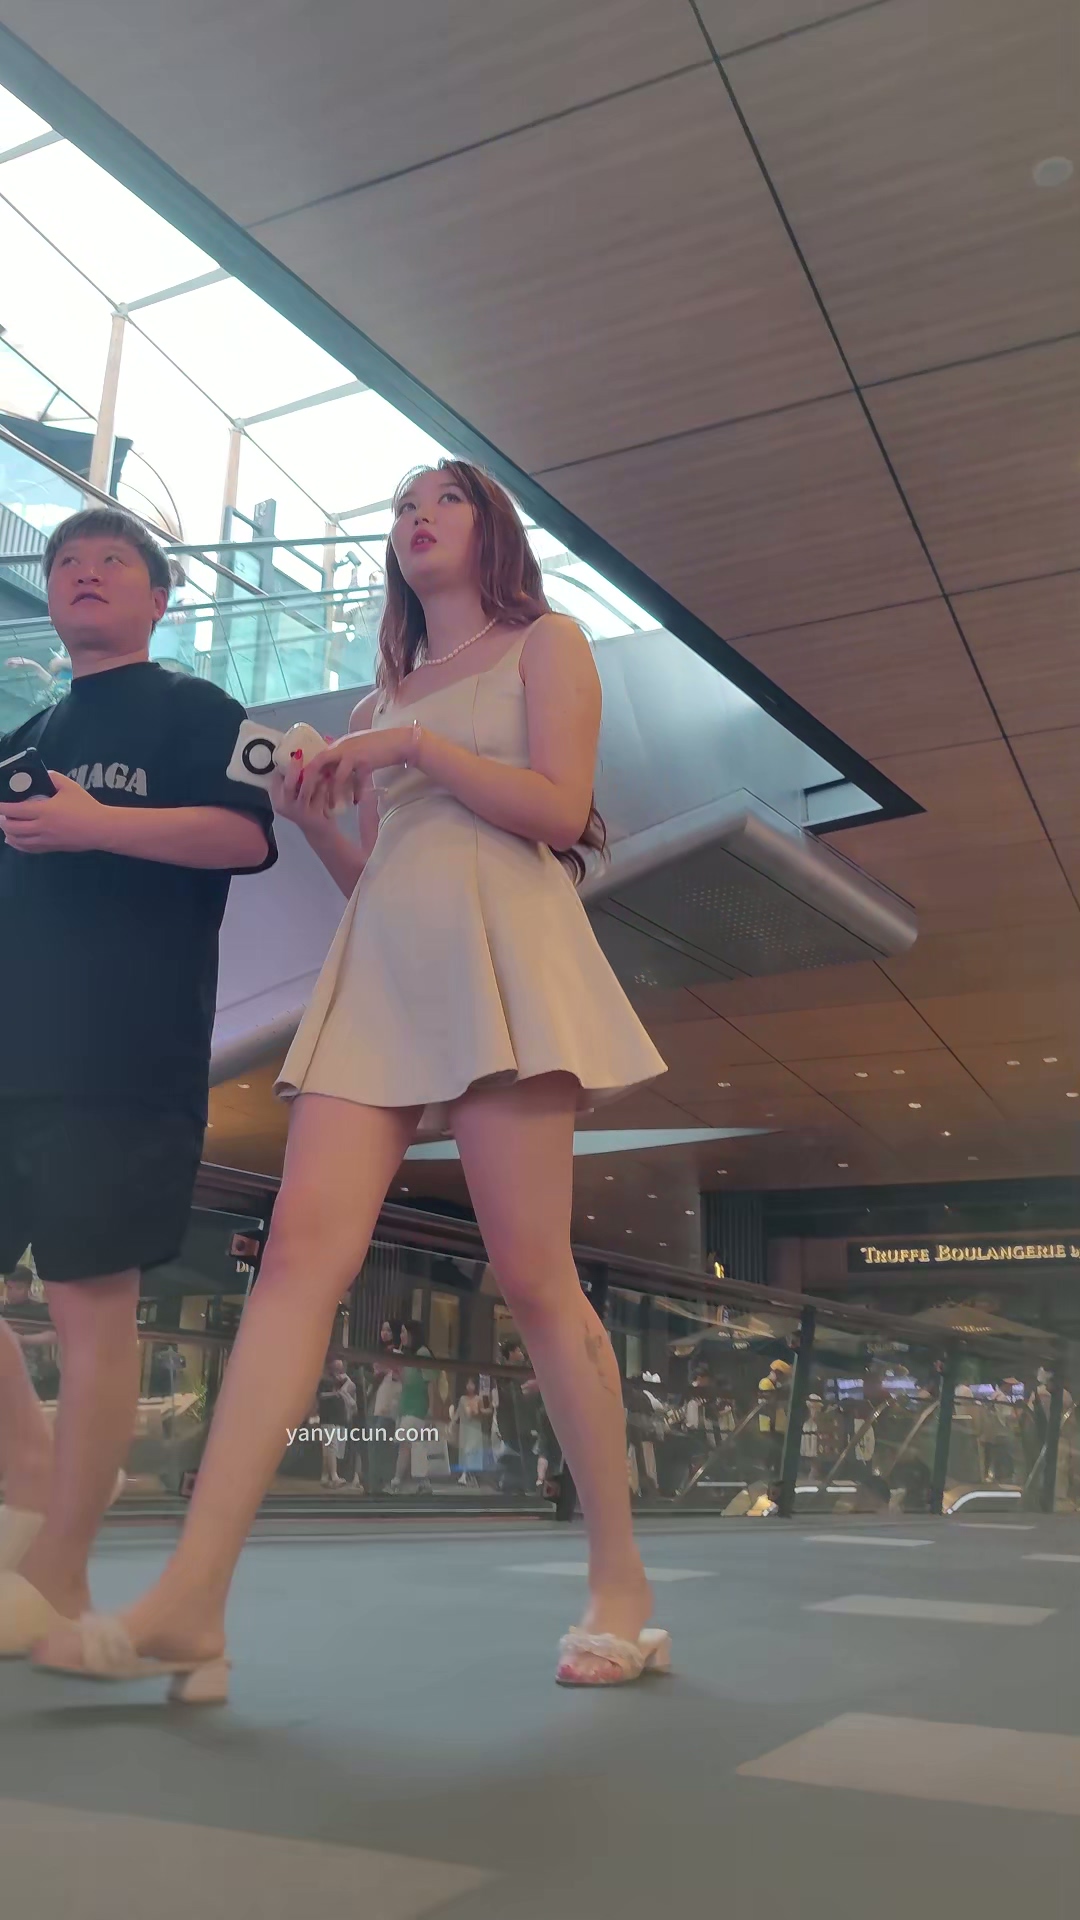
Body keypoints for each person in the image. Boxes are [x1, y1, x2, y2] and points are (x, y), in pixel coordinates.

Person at [35, 459, 669, 1697]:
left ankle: (622, 1585)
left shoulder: (548, 644)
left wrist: (412, 742)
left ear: (491, 528)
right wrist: (315, 810)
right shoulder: (388, 692)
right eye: (401, 507)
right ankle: (192, 1599)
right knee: (292, 1264)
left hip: (507, 958)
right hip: (385, 966)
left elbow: (558, 809)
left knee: (535, 1279)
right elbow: (378, 873)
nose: (416, 516)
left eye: (444, 500)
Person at [0, 506, 276, 1655]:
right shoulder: (25, 732)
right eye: (67, 562)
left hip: (122, 1056)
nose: (85, 574)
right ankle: (35, 1479)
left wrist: (96, 822)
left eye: (113, 561)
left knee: (88, 1306)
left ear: (159, 598)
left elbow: (247, 838)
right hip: (11, 1049)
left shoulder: (198, 711)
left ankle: (61, 1570)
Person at [388, 1319, 435, 1493]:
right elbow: (407, 1381)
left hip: (417, 1407)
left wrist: (431, 1409)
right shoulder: (409, 1355)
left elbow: (430, 1382)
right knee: (416, 1445)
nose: (401, 1336)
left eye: (404, 1332)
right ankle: (423, 1482)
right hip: (408, 1406)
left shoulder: (422, 1353)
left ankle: (396, 1481)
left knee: (406, 1445)